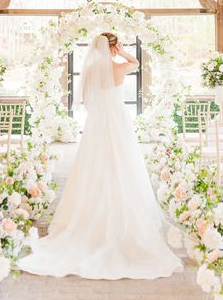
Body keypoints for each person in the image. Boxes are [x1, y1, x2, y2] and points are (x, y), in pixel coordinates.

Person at [18, 33, 183, 279]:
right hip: (117, 122)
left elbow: (86, 101)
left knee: (93, 168)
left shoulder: (91, 69)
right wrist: (124, 52)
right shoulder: (117, 67)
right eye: (116, 45)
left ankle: (85, 220)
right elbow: (135, 64)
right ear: (113, 47)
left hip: (96, 124)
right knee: (121, 165)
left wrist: (98, 113)